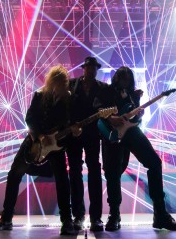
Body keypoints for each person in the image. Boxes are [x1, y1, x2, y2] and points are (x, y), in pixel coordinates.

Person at [0, 65, 78, 235]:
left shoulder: (69, 99)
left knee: (62, 179)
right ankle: (6, 218)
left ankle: (67, 220)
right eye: (57, 82)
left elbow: (71, 122)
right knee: (14, 173)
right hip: (35, 142)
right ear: (52, 82)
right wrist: (38, 136)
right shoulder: (40, 95)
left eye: (62, 83)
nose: (60, 86)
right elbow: (30, 118)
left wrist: (74, 130)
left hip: (57, 145)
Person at [96, 66, 176, 231]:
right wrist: (110, 118)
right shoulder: (106, 92)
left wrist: (139, 115)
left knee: (154, 163)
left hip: (131, 131)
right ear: (116, 78)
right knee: (113, 173)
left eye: (128, 78)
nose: (125, 81)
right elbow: (96, 110)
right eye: (122, 77)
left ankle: (160, 213)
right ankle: (114, 215)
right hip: (112, 135)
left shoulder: (133, 95)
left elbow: (135, 118)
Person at [67, 57, 106, 231]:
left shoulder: (102, 88)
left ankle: (96, 218)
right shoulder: (71, 84)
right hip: (73, 135)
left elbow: (109, 107)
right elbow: (64, 108)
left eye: (94, 67)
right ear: (84, 68)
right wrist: (70, 125)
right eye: (88, 67)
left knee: (95, 172)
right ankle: (78, 216)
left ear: (96, 69)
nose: (91, 70)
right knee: (74, 173)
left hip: (92, 135)